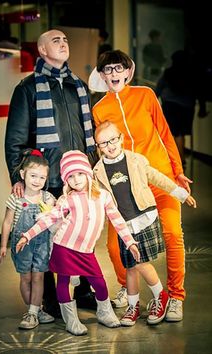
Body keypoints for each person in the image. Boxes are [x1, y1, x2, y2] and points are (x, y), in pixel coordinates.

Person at [88, 49, 194, 321]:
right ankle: (126, 286)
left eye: (118, 68)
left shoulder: (146, 95)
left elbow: (165, 132)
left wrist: (178, 171)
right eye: (108, 69)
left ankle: (176, 297)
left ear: (128, 71)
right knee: (114, 247)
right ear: (102, 76)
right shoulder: (99, 109)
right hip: (123, 187)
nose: (114, 73)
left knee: (172, 234)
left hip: (159, 175)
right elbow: (102, 150)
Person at [4, 29, 99, 318]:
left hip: (78, 181)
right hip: (47, 182)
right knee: (45, 242)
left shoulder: (79, 87)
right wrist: (18, 178)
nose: (63, 43)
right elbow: (15, 141)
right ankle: (46, 300)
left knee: (81, 236)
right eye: (55, 40)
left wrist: (90, 164)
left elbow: (90, 134)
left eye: (65, 39)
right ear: (42, 50)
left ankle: (81, 292)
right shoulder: (27, 88)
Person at [16, 150, 140, 335]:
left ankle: (104, 312)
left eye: (80, 173)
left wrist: (130, 242)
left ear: (88, 174)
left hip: (86, 251)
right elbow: (49, 219)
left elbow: (117, 220)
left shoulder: (103, 197)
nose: (76, 179)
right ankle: (71, 320)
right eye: (71, 176)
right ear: (66, 181)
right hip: (64, 247)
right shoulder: (68, 199)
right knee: (64, 282)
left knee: (99, 282)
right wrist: (27, 235)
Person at [93, 121, 196, 326]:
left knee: (139, 262)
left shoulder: (136, 160)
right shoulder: (98, 172)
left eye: (113, 140)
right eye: (103, 143)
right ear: (98, 147)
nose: (110, 146)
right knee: (130, 266)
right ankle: (133, 306)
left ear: (121, 138)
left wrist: (180, 194)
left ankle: (161, 296)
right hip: (124, 226)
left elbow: (158, 178)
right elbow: (95, 198)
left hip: (143, 219)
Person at [0, 149, 56, 329]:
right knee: (26, 279)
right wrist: (3, 246)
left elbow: (56, 218)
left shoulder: (47, 198)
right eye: (33, 175)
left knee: (38, 277)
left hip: (42, 245)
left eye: (41, 177)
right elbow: (7, 223)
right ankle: (34, 310)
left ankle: (32, 313)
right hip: (21, 245)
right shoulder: (16, 198)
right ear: (23, 174)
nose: (37, 181)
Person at [155, 49, 207, 166]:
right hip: (187, 107)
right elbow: (200, 91)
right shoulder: (193, 74)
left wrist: (152, 102)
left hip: (170, 105)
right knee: (180, 133)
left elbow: (158, 88)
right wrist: (202, 108)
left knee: (173, 133)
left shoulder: (169, 72)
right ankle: (180, 158)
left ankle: (178, 159)